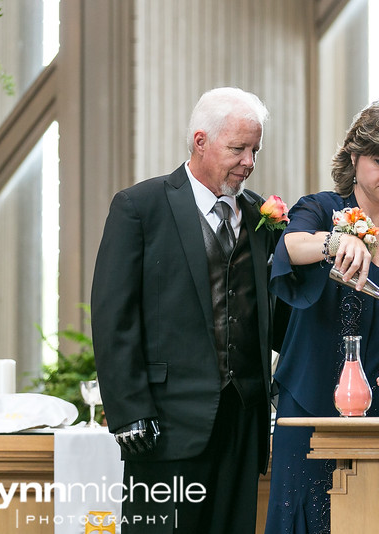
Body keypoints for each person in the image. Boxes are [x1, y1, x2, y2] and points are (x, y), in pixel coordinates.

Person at [91, 87, 287, 534]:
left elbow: (274, 312)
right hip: (164, 423)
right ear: (200, 141)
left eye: (255, 149)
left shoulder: (261, 216)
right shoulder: (140, 207)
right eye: (238, 149)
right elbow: (113, 317)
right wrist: (128, 412)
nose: (250, 162)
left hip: (242, 419)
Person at [264, 99, 379, 533]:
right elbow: (289, 248)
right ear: (355, 157)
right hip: (311, 405)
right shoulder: (320, 208)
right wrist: (336, 242)